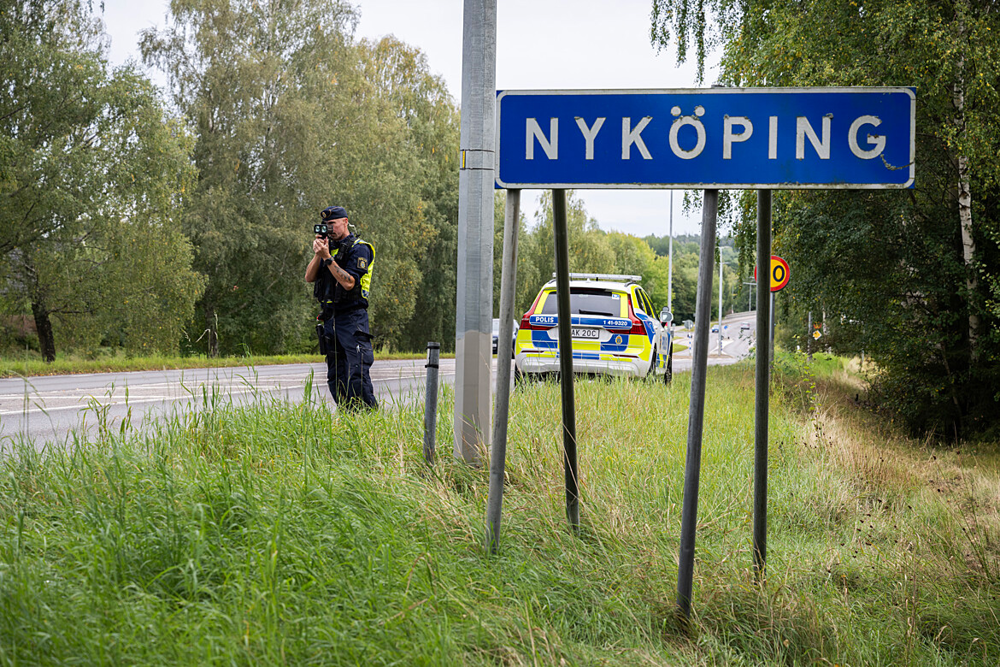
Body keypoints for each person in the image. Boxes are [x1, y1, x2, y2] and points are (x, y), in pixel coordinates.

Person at [305, 205, 377, 411]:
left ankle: (369, 416)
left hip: (352, 317)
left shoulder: (360, 248)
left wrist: (328, 258)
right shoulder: (328, 249)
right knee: (336, 375)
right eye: (326, 226)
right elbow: (309, 277)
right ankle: (347, 416)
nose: (329, 229)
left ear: (345, 222)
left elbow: (349, 283)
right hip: (330, 318)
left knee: (357, 372)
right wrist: (319, 254)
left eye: (333, 224)